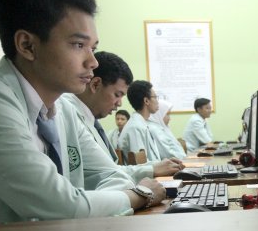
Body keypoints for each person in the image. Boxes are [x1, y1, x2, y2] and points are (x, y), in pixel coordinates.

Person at [0, 0, 165, 224]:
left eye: (93, 48)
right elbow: (62, 205)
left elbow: (112, 175)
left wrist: (87, 204)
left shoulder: (63, 109)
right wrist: (137, 195)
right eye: (78, 45)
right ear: (27, 46)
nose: (93, 62)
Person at [62, 51, 184, 181]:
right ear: (95, 84)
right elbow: (108, 173)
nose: (119, 103)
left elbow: (110, 168)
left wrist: (155, 166)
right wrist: (152, 169)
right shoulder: (68, 114)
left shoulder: (88, 118)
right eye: (117, 95)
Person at [118, 80, 162, 161]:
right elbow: (141, 164)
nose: (157, 101)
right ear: (146, 101)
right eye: (155, 97)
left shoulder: (141, 123)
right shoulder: (135, 128)